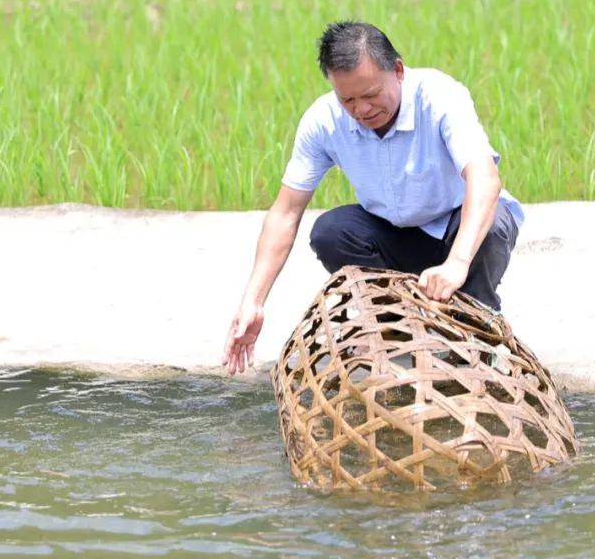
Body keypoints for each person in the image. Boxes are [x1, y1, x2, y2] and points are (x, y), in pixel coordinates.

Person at [222, 21, 524, 375]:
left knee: (494, 223)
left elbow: (485, 180)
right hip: (395, 237)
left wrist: (457, 262)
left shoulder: (440, 96)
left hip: (461, 238)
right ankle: (397, 324)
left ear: (398, 70)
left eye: (370, 94)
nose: (361, 110)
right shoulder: (324, 120)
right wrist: (253, 302)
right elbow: (285, 213)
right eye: (347, 99)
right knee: (331, 231)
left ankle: (476, 326)